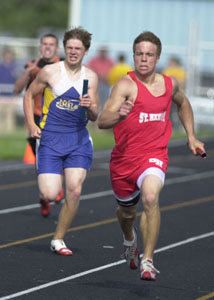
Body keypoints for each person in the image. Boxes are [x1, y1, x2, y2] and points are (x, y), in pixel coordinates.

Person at [98, 31, 205, 280]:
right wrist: (119, 115)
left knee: (150, 196)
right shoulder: (124, 85)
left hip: (154, 155)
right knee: (126, 214)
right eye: (139, 54)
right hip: (124, 160)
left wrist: (191, 136)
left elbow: (184, 104)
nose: (143, 59)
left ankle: (148, 259)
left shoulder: (169, 84)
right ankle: (129, 237)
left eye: (149, 55)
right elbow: (103, 121)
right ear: (134, 55)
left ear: (157, 58)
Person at [23, 27, 99, 255]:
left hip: (78, 140)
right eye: (69, 48)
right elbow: (28, 95)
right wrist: (31, 125)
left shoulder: (91, 77)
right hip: (50, 139)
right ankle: (49, 197)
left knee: (74, 191)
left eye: (78, 48)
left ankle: (58, 238)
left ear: (85, 51)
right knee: (49, 193)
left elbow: (95, 115)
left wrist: (90, 107)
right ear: (64, 49)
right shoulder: (50, 72)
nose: (73, 52)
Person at [14, 33, 64, 217]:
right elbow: (17, 89)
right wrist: (29, 71)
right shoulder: (31, 66)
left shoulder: (62, 66)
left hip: (57, 119)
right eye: (45, 44)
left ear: (56, 48)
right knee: (40, 162)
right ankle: (45, 195)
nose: (48, 47)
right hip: (36, 118)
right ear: (40, 47)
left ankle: (56, 187)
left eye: (51, 44)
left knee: (60, 156)